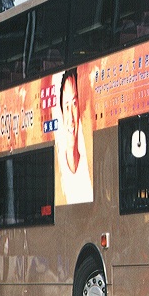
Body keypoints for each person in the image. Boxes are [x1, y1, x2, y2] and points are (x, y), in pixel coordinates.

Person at [59, 68, 93, 203]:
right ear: (61, 113)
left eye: (74, 104)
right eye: (66, 107)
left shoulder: (89, 168)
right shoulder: (58, 171)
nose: (71, 118)